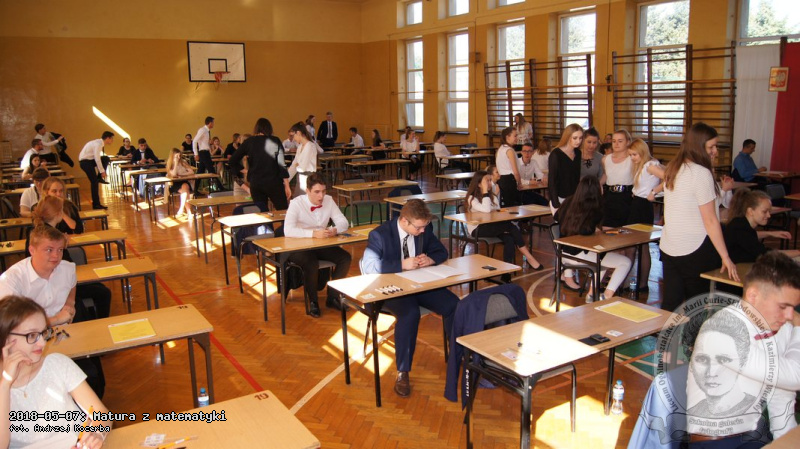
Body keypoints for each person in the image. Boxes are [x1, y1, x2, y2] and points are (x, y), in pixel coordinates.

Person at [686, 252, 800, 445]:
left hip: (754, 430)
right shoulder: (721, 333)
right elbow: (795, 376)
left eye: (794, 308)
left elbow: (782, 393)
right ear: (753, 296)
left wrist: (786, 442)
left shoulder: (780, 326)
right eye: (783, 306)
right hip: (716, 440)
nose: (790, 315)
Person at [360, 199, 459, 398]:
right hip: (392, 288)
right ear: (404, 221)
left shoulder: (423, 230)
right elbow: (368, 266)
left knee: (453, 304)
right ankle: (403, 372)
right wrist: (401, 264)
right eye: (419, 227)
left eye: (425, 227)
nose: (423, 231)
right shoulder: (380, 234)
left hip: (419, 285)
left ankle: (456, 354)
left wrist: (430, 259)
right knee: (410, 314)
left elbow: (441, 251)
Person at [0, 295, 112, 449]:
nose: (42, 342)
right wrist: (5, 385)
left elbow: (101, 413)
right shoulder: (3, 386)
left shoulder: (56, 364)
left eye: (43, 333)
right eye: (32, 335)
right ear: (5, 338)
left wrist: (97, 433)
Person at [660, 122, 738, 312]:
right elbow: (710, 221)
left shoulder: (674, 168)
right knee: (696, 306)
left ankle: (665, 333)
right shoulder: (701, 173)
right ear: (698, 146)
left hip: (670, 247)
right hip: (694, 249)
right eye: (711, 147)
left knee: (671, 304)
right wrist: (725, 257)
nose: (715, 151)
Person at [283, 174, 351, 318]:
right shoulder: (296, 203)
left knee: (345, 258)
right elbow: (288, 230)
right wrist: (313, 234)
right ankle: (313, 301)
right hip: (299, 246)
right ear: (307, 191)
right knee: (311, 263)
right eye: (317, 192)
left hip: (321, 244)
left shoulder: (329, 200)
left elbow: (343, 222)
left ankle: (333, 297)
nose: (321, 196)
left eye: (324, 191)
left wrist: (335, 229)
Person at [555, 176, 632, 302]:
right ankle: (606, 294)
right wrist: (596, 231)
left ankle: (592, 294)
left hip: (562, 254)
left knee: (601, 257)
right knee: (624, 262)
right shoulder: (595, 206)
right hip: (579, 255)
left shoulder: (568, 201)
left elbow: (557, 217)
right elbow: (587, 232)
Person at [465, 171, 544, 276]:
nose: (489, 183)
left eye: (490, 180)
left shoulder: (492, 196)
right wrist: (485, 191)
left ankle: (507, 272)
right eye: (486, 181)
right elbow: (487, 209)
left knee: (509, 238)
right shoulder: (472, 198)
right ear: (479, 184)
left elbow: (497, 213)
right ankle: (529, 257)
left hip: (492, 226)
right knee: (510, 227)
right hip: (478, 229)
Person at [229, 118, 291, 212]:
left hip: (256, 183)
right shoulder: (275, 140)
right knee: (283, 212)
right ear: (269, 129)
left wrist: (246, 171)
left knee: (261, 213)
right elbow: (282, 165)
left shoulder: (249, 141)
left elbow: (232, 161)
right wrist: (287, 185)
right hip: (274, 183)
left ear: (256, 128)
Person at [627, 139, 665, 293]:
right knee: (633, 245)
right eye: (630, 155)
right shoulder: (643, 165)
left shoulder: (650, 165)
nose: (632, 158)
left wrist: (654, 192)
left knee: (642, 246)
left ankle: (642, 283)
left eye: (634, 155)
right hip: (637, 204)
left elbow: (669, 177)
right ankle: (630, 282)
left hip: (643, 206)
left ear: (642, 152)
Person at [723, 189, 793, 264]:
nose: (769, 215)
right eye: (764, 212)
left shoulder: (741, 223)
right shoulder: (739, 227)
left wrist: (771, 233)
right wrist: (798, 252)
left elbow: (750, 235)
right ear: (750, 211)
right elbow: (765, 254)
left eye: (769, 211)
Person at [548, 123, 584, 214]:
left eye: (580, 138)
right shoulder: (556, 154)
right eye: (575, 138)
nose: (578, 141)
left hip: (574, 197)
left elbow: (576, 176)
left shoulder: (578, 153)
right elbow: (552, 180)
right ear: (568, 137)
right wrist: (555, 203)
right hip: (560, 197)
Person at [602, 129, 634, 228]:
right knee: (608, 228)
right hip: (610, 197)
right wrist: (598, 183)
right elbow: (606, 175)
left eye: (620, 141)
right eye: (614, 141)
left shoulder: (632, 159)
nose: (616, 144)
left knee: (626, 230)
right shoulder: (605, 159)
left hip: (627, 196)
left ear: (627, 142)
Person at [79, 131, 113, 210]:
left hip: (89, 161)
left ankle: (99, 178)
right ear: (108, 138)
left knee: (105, 158)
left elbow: (98, 158)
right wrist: (102, 171)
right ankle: (96, 204)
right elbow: (97, 159)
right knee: (94, 182)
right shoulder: (98, 144)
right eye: (111, 139)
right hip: (85, 163)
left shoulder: (98, 142)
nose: (112, 141)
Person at [495, 127, 524, 207]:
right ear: (507, 137)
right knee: (512, 206)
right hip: (509, 180)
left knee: (506, 205)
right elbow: (515, 171)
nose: (517, 138)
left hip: (502, 180)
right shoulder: (509, 150)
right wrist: (519, 183)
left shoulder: (500, 149)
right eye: (515, 136)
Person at [288, 122, 319, 197]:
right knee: (298, 200)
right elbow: (294, 165)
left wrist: (297, 165)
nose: (293, 139)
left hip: (309, 179)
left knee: (305, 200)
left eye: (293, 136)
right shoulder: (300, 147)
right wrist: (286, 180)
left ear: (298, 133)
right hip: (300, 178)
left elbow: (303, 167)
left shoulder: (310, 146)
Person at [166, 148, 196, 217]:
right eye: (176, 156)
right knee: (185, 191)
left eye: (179, 156)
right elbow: (173, 174)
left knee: (185, 188)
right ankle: (188, 211)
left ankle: (182, 209)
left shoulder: (183, 162)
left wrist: (182, 175)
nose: (178, 158)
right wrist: (176, 163)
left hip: (184, 181)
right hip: (175, 183)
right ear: (172, 156)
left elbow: (191, 172)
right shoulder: (170, 164)